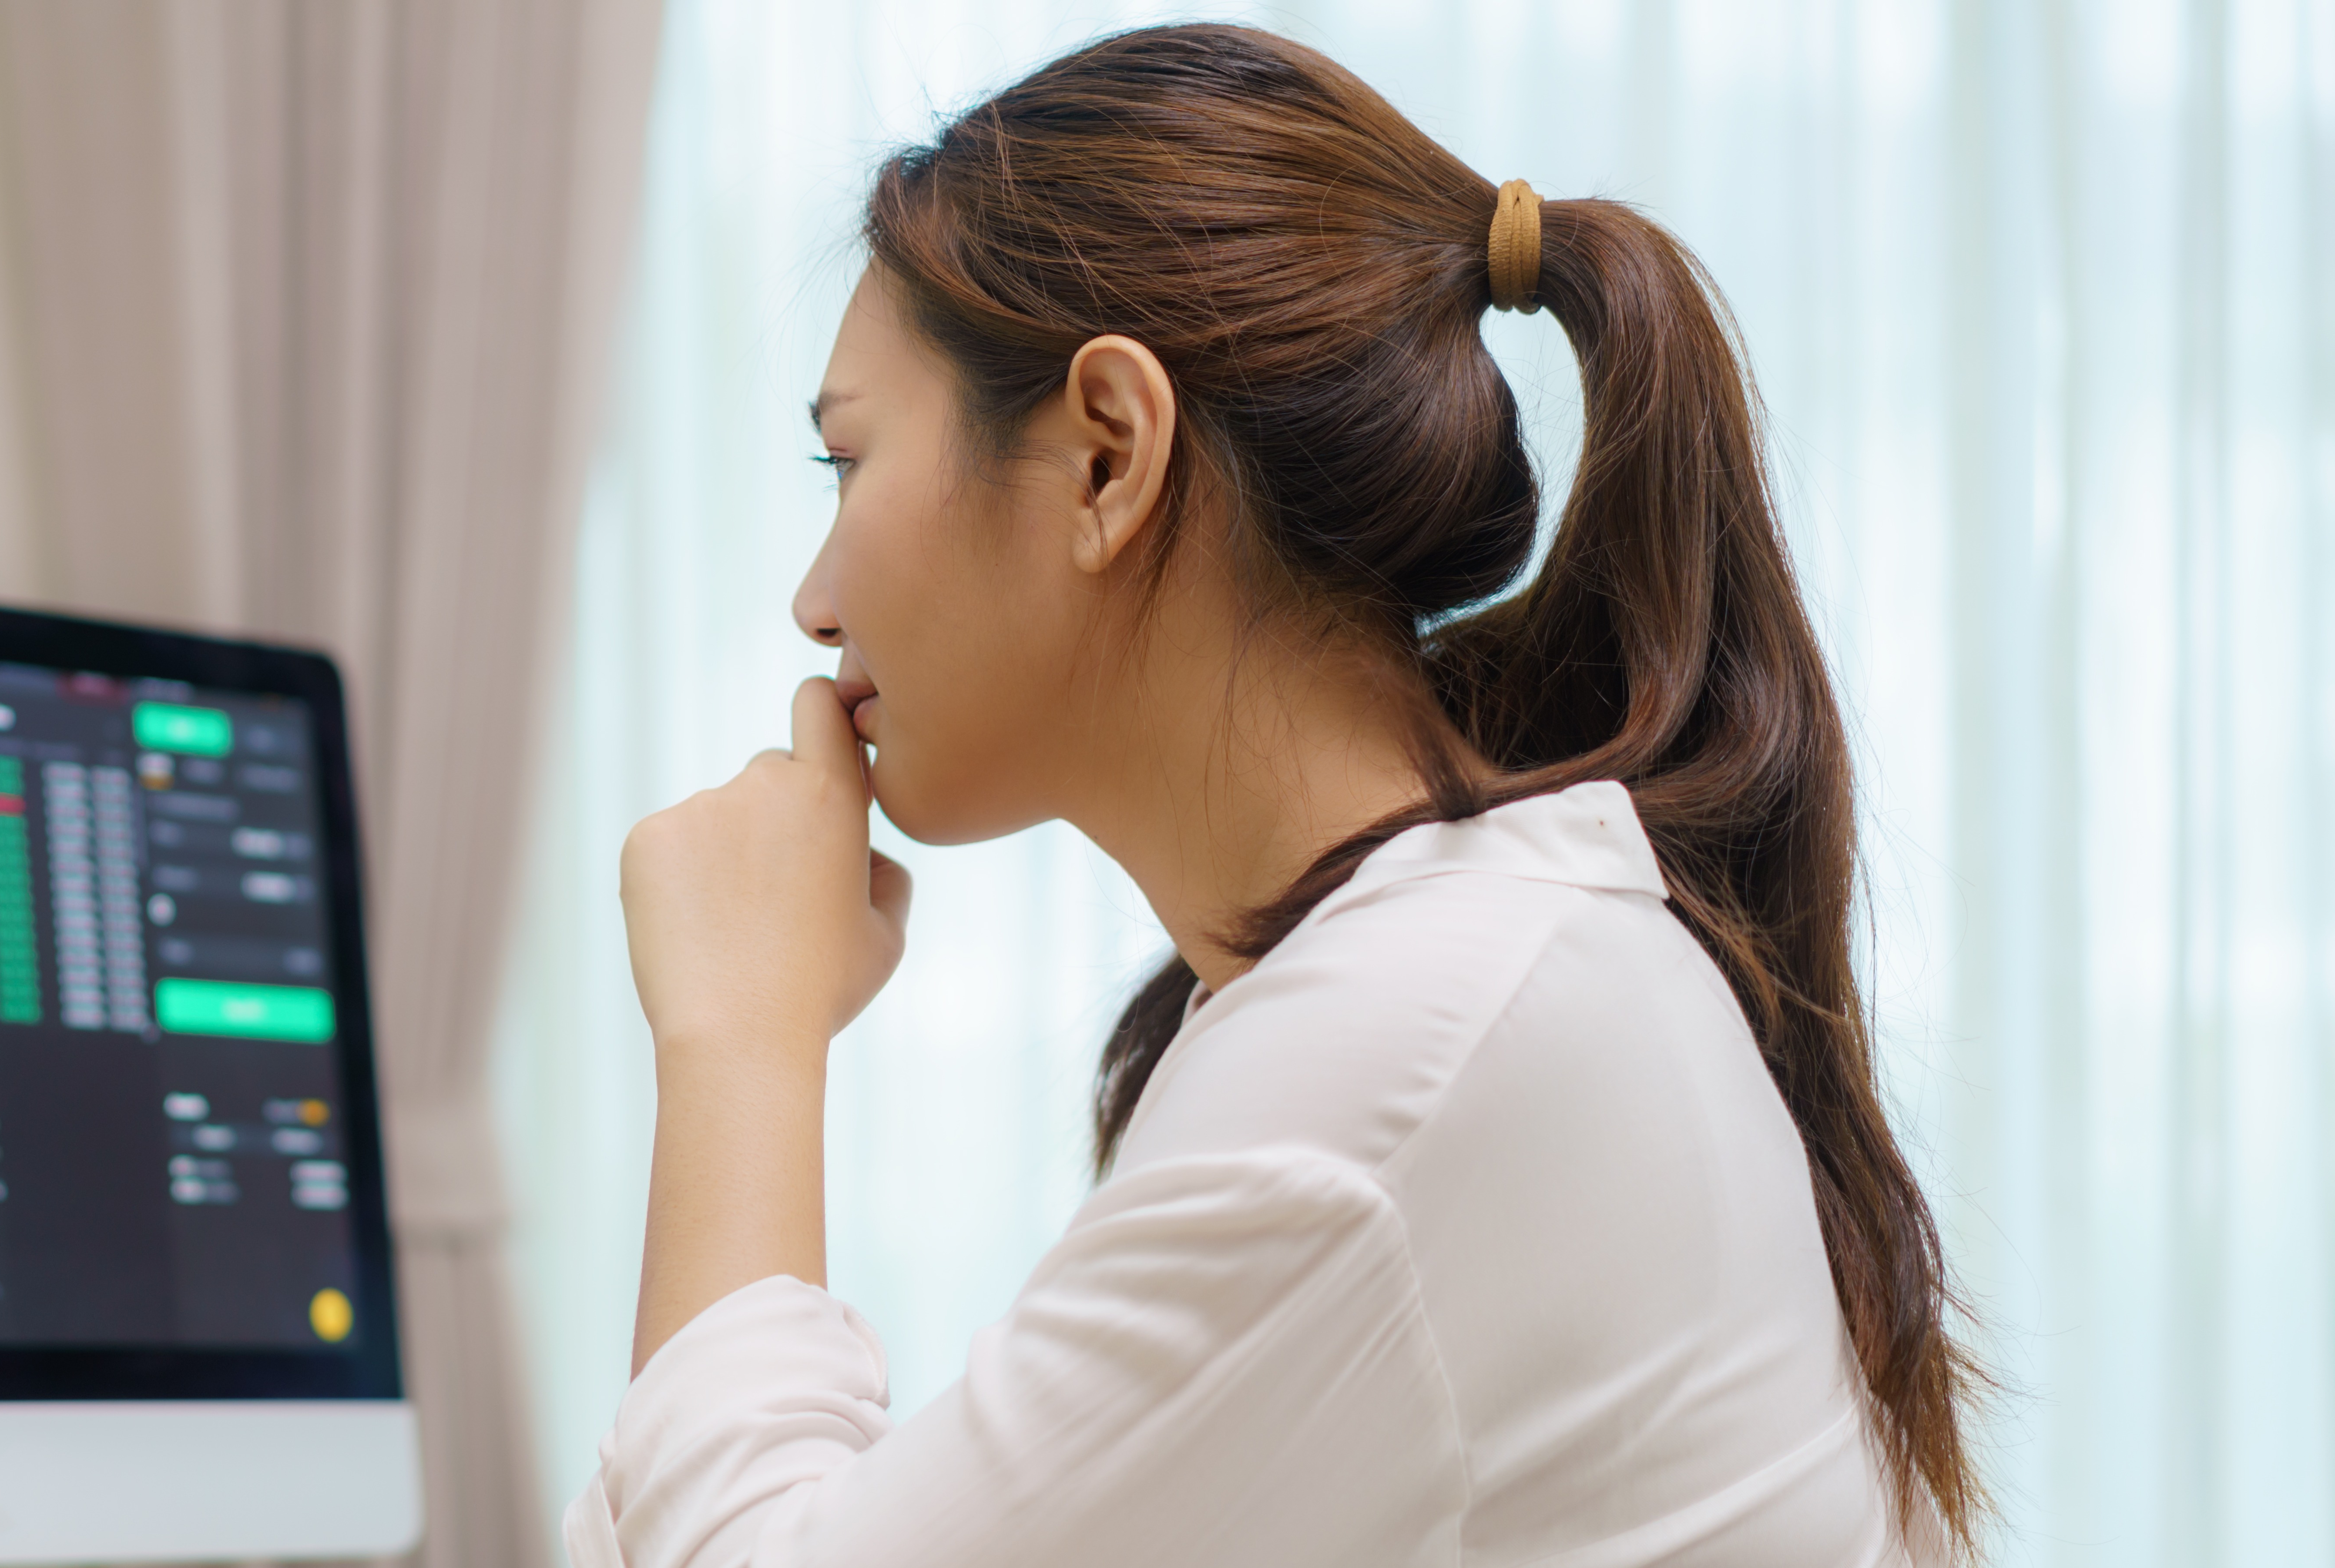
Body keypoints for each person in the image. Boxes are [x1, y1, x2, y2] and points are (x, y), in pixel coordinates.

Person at [568, 23, 1984, 1568]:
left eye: (847, 463)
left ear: (1108, 455)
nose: (815, 602)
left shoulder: (1419, 1038)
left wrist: (739, 1037)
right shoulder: (1451, 978)